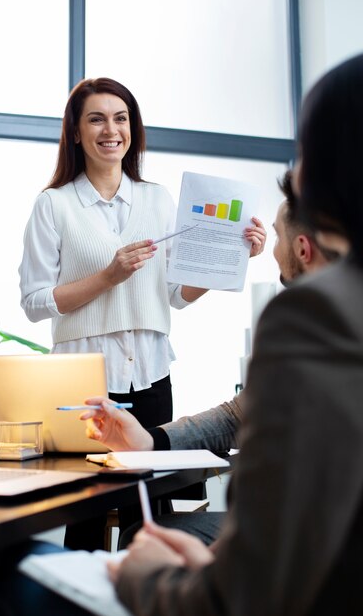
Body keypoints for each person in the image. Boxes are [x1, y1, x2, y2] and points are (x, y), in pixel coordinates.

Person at [102, 49, 363, 615]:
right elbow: (246, 412)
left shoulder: (323, 315)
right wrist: (155, 440)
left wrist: (147, 576)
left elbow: (241, 598)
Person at [18, 77, 266, 548]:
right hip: (83, 382)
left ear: (132, 128)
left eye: (121, 118)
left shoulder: (157, 200)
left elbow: (174, 294)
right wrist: (108, 276)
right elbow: (34, 303)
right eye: (96, 118)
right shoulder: (53, 205)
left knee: (152, 509)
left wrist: (236, 257)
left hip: (151, 376)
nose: (111, 129)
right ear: (75, 132)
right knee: (86, 512)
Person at [81, 167, 339, 548]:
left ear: (302, 250)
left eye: (276, 237)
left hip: (317, 528)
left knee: (146, 540)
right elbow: (238, 414)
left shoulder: (310, 327)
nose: (270, 248)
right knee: (153, 533)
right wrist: (149, 440)